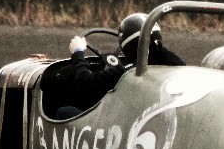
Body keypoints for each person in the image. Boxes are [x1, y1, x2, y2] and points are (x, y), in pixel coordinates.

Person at [56, 13, 185, 120]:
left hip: (118, 129)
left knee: (63, 112)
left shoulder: (121, 74)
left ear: (128, 47)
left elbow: (84, 82)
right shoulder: (176, 65)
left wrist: (78, 54)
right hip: (153, 121)